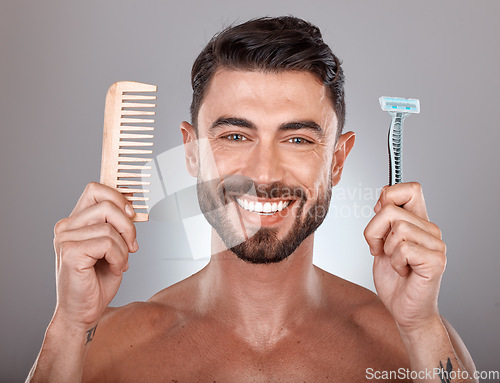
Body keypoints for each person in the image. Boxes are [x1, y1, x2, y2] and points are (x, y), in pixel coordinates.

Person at [27, 16, 477, 382]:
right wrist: (68, 326)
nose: (264, 174)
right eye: (236, 135)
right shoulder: (102, 347)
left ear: (337, 160)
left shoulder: (417, 347)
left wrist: (420, 329)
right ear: (191, 152)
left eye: (298, 139)